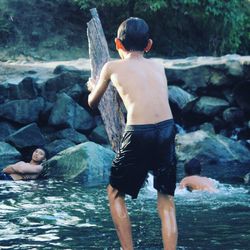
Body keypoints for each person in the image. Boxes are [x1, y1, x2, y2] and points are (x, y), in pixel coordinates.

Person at [87, 17, 177, 250]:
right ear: (148, 45)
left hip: (139, 131)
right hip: (167, 129)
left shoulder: (111, 67)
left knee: (115, 192)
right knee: (166, 198)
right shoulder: (158, 65)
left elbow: (92, 103)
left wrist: (92, 86)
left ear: (117, 44)